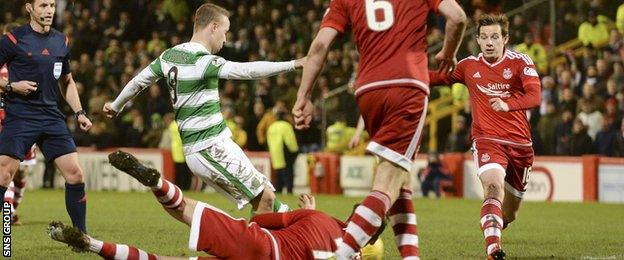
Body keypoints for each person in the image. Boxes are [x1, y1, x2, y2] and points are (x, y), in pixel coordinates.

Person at [292, 0, 467, 258]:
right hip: (406, 85)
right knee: (387, 184)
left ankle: (410, 256)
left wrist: (303, 95)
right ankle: (343, 255)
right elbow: (458, 17)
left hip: (367, 90)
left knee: (399, 180)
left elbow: (319, 45)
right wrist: (449, 53)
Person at [103, 3, 305, 215]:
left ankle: (294, 229)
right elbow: (246, 70)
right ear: (214, 27)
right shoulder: (202, 61)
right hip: (209, 147)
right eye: (225, 32)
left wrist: (116, 105)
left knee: (267, 201)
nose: (225, 39)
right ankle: (260, 246)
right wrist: (292, 64)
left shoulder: (169, 55)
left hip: (214, 144)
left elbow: (138, 82)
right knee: (266, 198)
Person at [48, 150, 384, 260]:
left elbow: (266, 220)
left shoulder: (318, 216)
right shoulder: (349, 252)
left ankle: (155, 182)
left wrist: (295, 214)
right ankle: (91, 245)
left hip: (262, 246)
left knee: (185, 209)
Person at [429, 14, 542, 259]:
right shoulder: (469, 66)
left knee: (509, 214)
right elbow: (435, 78)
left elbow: (535, 97)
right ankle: (493, 249)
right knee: (492, 188)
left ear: (505, 39)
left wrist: (508, 104)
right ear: (478, 40)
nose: (489, 42)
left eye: (494, 37)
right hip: (487, 140)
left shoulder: (521, 62)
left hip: (521, 145)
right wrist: (394, 75)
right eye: (484, 37)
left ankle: (495, 226)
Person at [0, 0, 92, 233]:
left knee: (75, 174)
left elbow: (67, 81)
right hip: (21, 115)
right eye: (43, 5)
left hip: (52, 116)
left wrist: (79, 112)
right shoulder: (13, 39)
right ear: (29, 8)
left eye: (51, 5)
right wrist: (11, 86)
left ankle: (81, 236)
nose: (49, 10)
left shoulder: (61, 40)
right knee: (4, 174)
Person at [267, 111, 298, 194]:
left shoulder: (271, 127)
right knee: (288, 173)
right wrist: (294, 151)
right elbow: (290, 140)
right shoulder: (286, 126)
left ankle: (279, 191)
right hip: (285, 152)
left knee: (278, 175)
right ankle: (289, 191)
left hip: (275, 153)